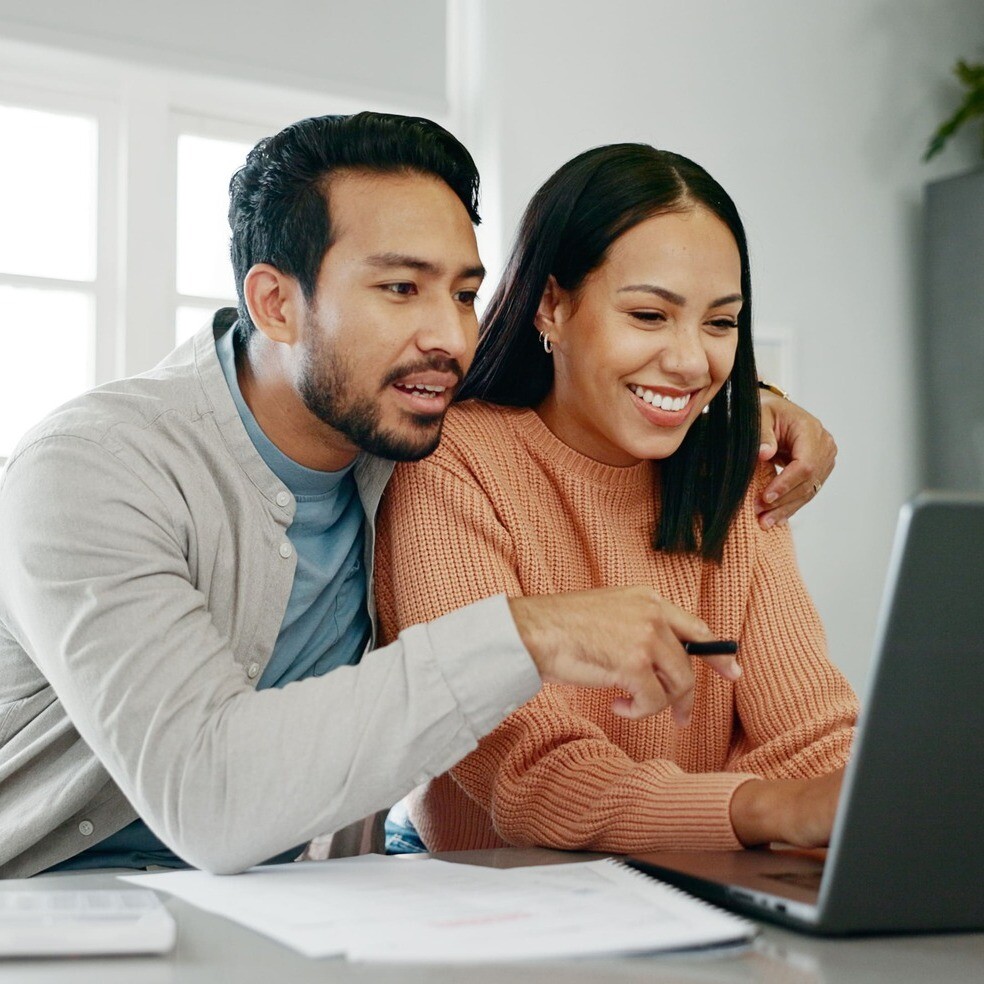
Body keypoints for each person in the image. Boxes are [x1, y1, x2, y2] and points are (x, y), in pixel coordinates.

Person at [0, 114, 835, 879]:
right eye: (401, 289)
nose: (450, 337)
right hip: (47, 902)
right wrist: (531, 632)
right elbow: (209, 800)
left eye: (465, 295)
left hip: (283, 899)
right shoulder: (89, 470)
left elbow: (574, 405)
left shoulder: (399, 432)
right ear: (276, 303)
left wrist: (748, 406)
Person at [375, 143, 858, 856]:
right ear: (552, 305)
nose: (691, 361)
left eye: (720, 323)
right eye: (650, 315)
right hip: (500, 890)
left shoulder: (738, 475)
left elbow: (813, 742)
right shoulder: (451, 463)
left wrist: (839, 804)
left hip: (702, 874)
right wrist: (762, 806)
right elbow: (531, 774)